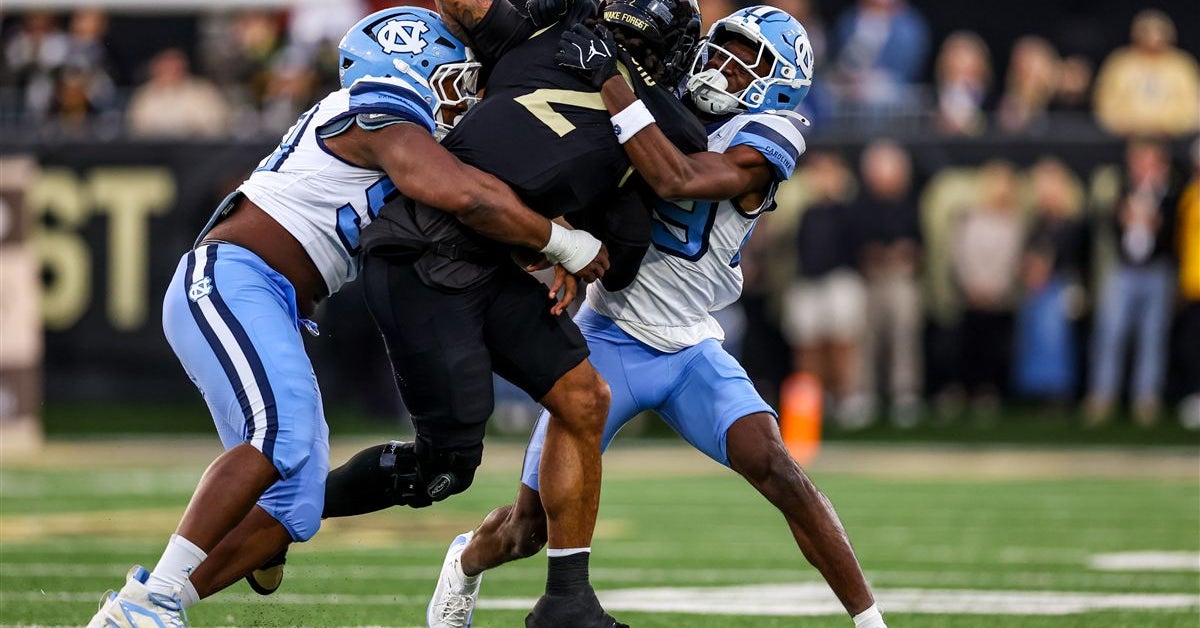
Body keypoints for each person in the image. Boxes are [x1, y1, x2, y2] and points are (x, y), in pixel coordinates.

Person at [84, 8, 607, 627]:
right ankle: (152, 601)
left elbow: (482, 199)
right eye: (450, 81)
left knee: (295, 510)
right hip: (232, 277)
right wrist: (563, 243)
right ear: (406, 69)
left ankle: (149, 603)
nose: (463, 98)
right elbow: (460, 193)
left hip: (279, 305)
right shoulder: (374, 110)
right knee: (277, 436)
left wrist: (548, 234)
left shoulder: (405, 133)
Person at [424, 7, 888, 628]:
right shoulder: (658, 98)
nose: (722, 64)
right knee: (527, 529)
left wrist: (611, 78)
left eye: (744, 59)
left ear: (779, 79)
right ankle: (465, 563)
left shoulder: (768, 131)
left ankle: (870, 622)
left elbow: (677, 178)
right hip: (607, 334)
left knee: (781, 470)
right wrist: (564, 236)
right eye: (721, 48)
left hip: (689, 343)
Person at [318, 0, 707, 626]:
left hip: (492, 261)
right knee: (445, 466)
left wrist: (573, 233)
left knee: (584, 399)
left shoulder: (552, 40)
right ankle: (290, 511)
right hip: (426, 253)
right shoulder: (639, 102)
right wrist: (574, 242)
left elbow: (622, 242)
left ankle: (567, 599)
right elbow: (626, 246)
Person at [1085, 138, 1179, 427]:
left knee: (1152, 337)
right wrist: (1123, 216)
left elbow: (1174, 237)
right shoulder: (1120, 191)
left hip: (1156, 272)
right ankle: (1103, 395)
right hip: (1123, 271)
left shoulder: (1170, 195)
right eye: (1139, 162)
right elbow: (1104, 228)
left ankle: (1146, 397)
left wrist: (1157, 221)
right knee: (1111, 333)